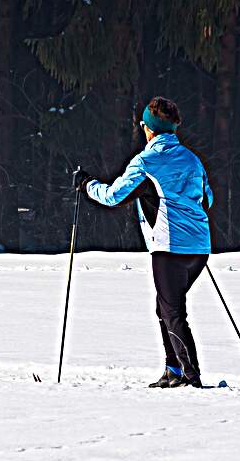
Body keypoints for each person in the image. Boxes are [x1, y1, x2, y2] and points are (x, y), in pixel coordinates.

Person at [74, 96, 213, 389]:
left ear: (150, 129)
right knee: (165, 308)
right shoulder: (193, 159)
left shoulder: (146, 161)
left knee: (172, 312)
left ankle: (190, 376)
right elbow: (207, 198)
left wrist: (87, 185)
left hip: (168, 248)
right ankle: (173, 369)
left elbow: (113, 196)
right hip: (199, 249)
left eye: (144, 125)